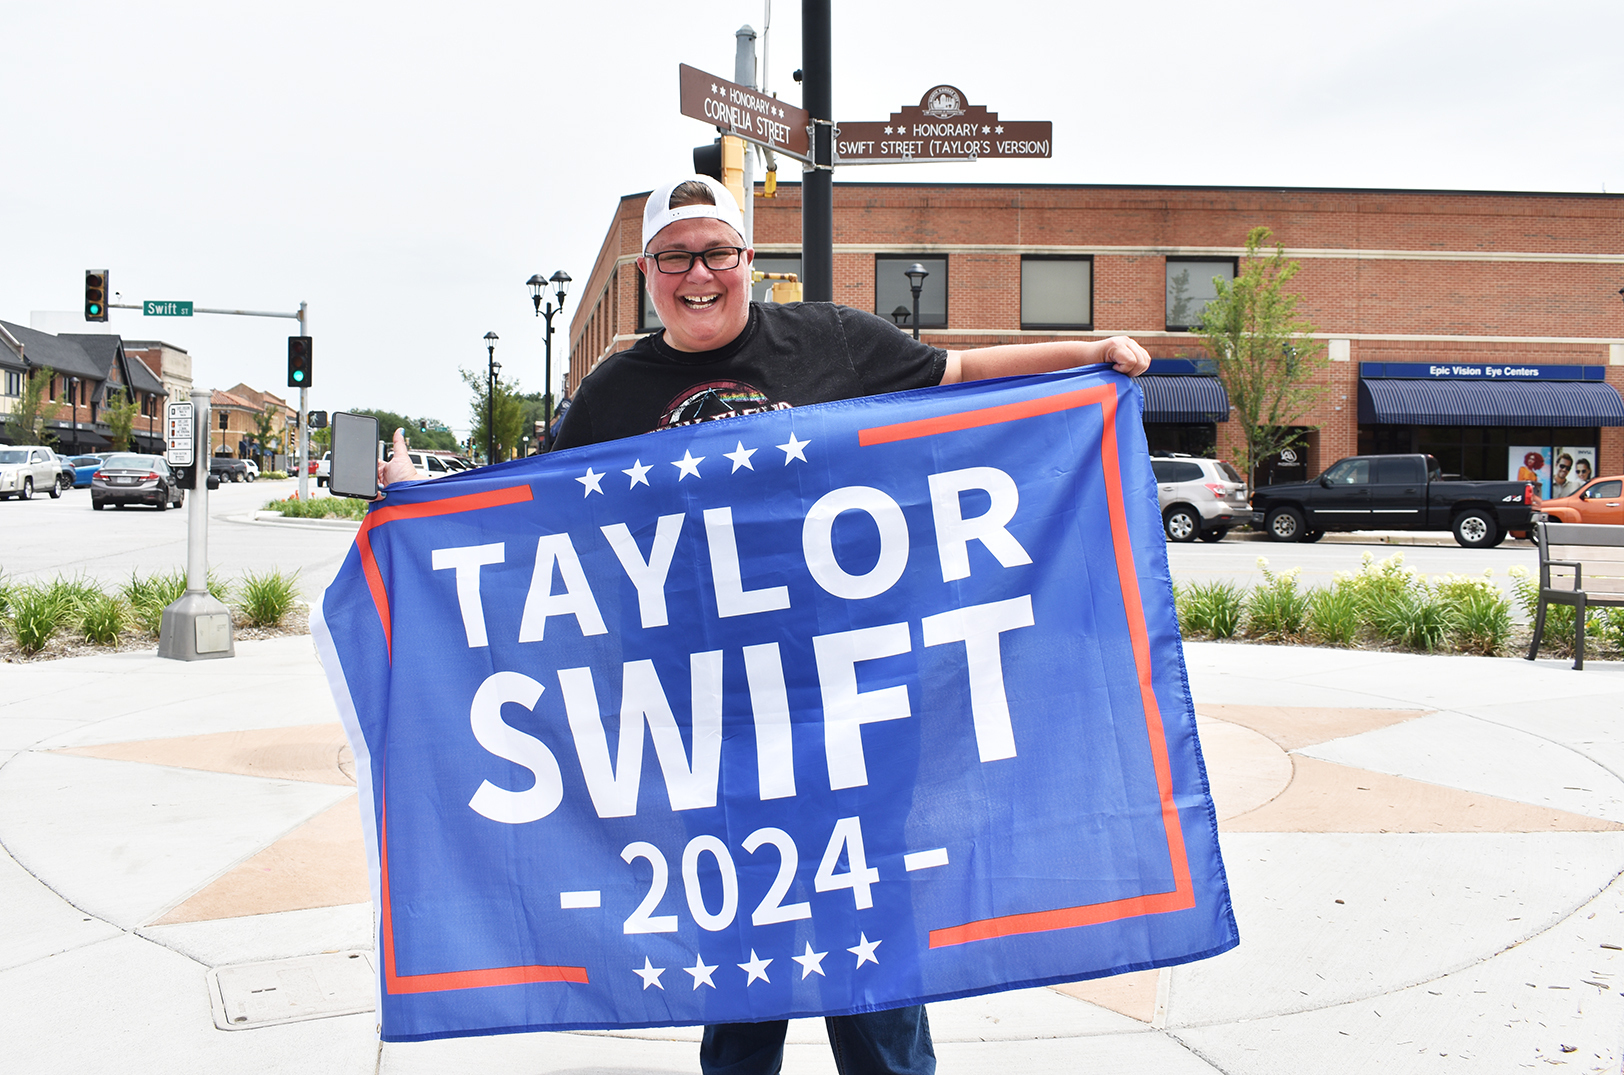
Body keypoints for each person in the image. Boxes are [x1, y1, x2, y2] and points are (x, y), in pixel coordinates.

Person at [377, 174, 1150, 1075]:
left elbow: (966, 377)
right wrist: (420, 504)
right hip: (714, 728)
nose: (698, 273)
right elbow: (526, 504)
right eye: (676, 256)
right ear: (647, 271)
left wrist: (1092, 350)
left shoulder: (832, 341)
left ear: (750, 260)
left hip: (852, 707)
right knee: (744, 976)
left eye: (717, 252)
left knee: (875, 964)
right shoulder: (616, 390)